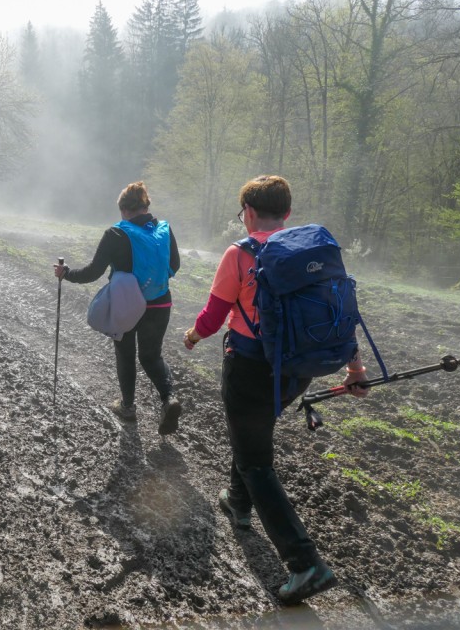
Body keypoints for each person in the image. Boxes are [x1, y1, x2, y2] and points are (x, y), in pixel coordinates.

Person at [182, 175, 369, 605]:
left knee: (255, 461)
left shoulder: (241, 253)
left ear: (248, 212)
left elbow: (213, 315)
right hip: (297, 370)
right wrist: (355, 368)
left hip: (250, 367)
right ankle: (237, 503)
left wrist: (192, 336)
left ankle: (305, 563)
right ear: (286, 214)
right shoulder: (311, 253)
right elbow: (344, 314)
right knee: (251, 434)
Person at [53, 181, 182, 434]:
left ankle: (128, 407)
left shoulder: (115, 234)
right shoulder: (165, 230)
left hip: (127, 303)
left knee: (125, 353)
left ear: (123, 210)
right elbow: (174, 266)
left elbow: (93, 272)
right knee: (151, 356)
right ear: (146, 207)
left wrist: (65, 273)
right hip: (161, 302)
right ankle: (169, 398)